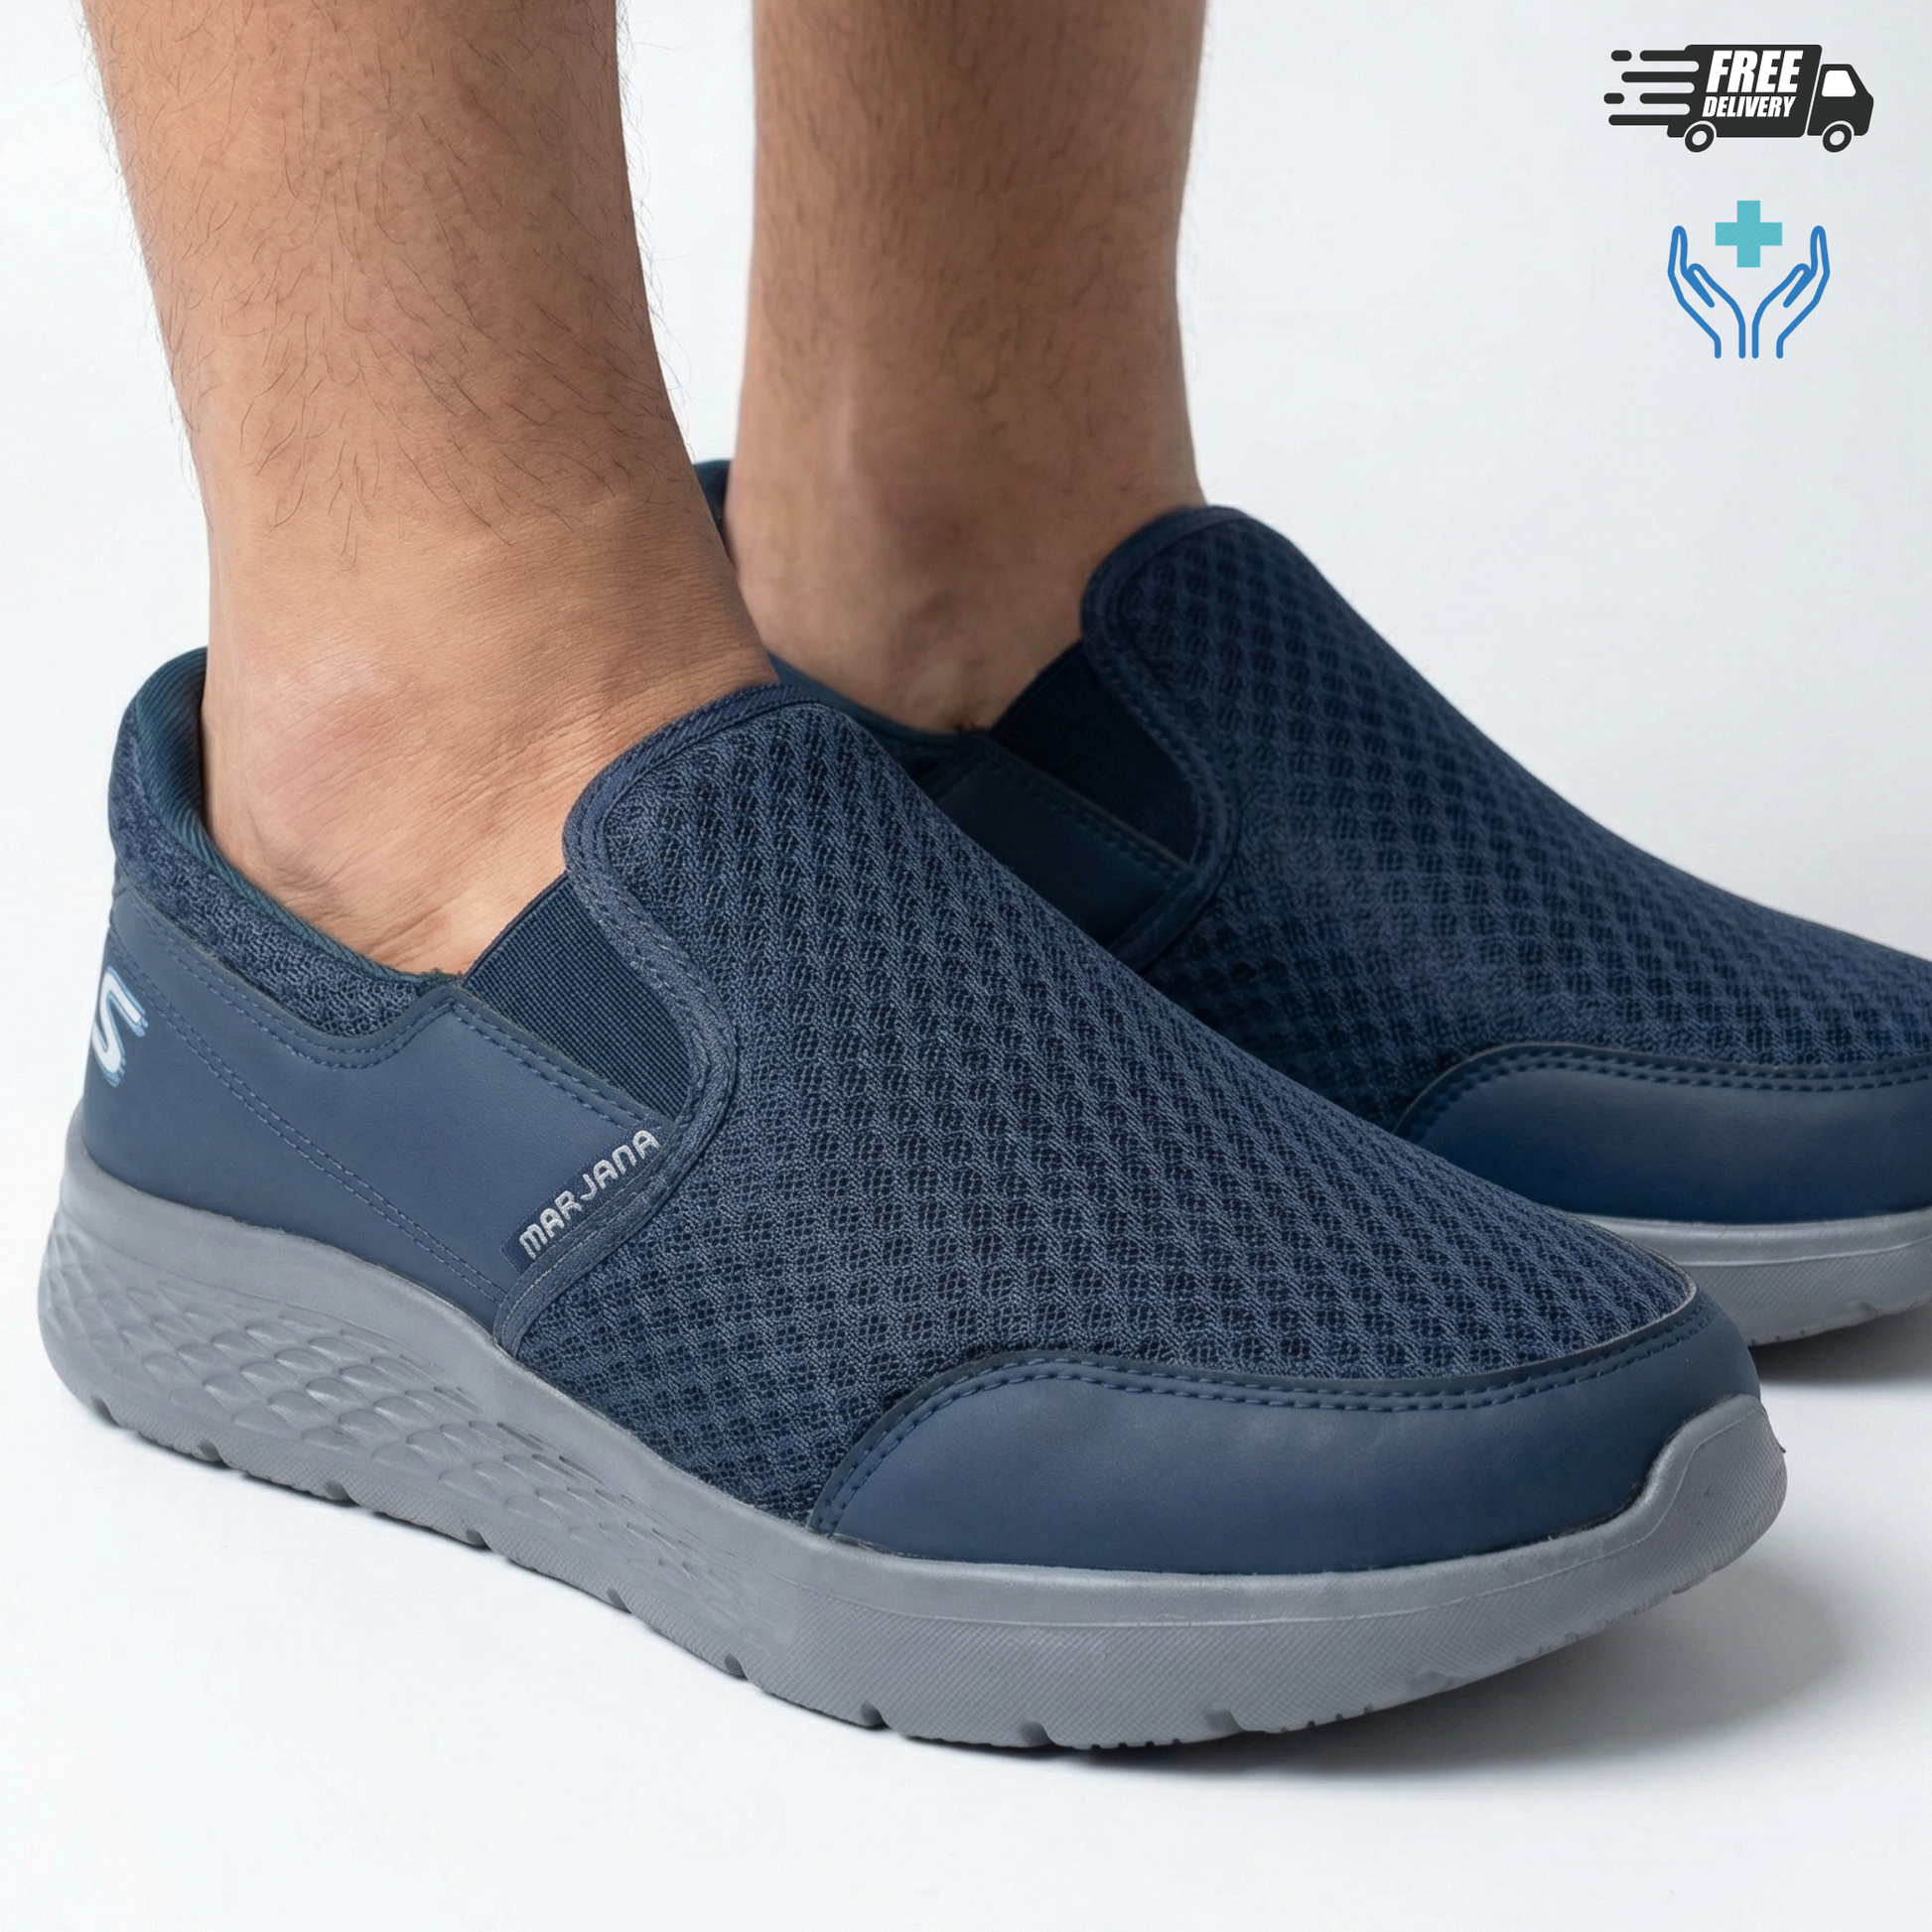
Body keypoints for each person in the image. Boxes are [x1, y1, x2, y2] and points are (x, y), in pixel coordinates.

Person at [48, 0, 1921, 1745]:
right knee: (470, 656)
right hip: (443, 859)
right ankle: (442, 740)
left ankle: (955, 538)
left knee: (968, 480)